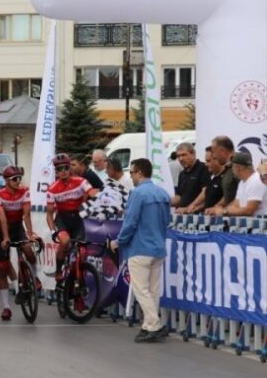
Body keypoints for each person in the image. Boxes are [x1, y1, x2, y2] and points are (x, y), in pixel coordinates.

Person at [111, 158, 170, 343]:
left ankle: (154, 324)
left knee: (141, 289)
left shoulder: (137, 194)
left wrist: (119, 241)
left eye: (132, 173)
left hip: (140, 247)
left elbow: (130, 222)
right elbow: (167, 220)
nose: (131, 176)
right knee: (153, 289)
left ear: (140, 173)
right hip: (158, 247)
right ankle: (148, 325)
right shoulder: (162, 193)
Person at [0, 165, 36, 321]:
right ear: (6, 181)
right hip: (5, 229)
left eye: (19, 178)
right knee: (3, 269)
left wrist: (30, 235)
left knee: (28, 250)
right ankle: (6, 307)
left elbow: (26, 214)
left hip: (18, 227)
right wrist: (5, 237)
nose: (18, 181)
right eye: (14, 179)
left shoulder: (24, 191)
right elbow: (2, 217)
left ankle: (34, 279)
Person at [46, 153, 97, 283]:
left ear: (70, 168)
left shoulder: (81, 181)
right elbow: (49, 214)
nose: (63, 172)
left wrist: (99, 195)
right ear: (56, 172)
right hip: (63, 219)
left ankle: (77, 274)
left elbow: (91, 192)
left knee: (83, 251)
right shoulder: (52, 189)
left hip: (79, 218)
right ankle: (58, 270)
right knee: (64, 241)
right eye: (59, 169)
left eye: (65, 168)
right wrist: (53, 231)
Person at [210, 152, 267, 216]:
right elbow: (236, 205)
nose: (232, 170)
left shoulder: (257, 181)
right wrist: (218, 210)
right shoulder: (242, 182)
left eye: (232, 167)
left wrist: (224, 211)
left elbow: (249, 210)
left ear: (238, 167)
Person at [204, 136, 241, 215]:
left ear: (222, 151)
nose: (213, 156)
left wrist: (224, 210)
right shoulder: (227, 167)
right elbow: (229, 194)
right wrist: (217, 207)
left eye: (213, 152)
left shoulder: (239, 164)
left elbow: (243, 195)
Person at [182, 147, 224, 214]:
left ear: (218, 160)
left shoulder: (226, 178)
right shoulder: (212, 178)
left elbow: (229, 198)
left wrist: (216, 208)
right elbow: (209, 200)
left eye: (208, 161)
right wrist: (196, 208)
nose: (206, 164)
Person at [171, 143, 209, 210]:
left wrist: (188, 208)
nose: (181, 159)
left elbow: (205, 192)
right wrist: (165, 202)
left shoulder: (203, 168)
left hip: (200, 216)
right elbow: (179, 197)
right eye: (178, 156)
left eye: (184, 155)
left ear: (193, 154)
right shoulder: (182, 174)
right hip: (184, 217)